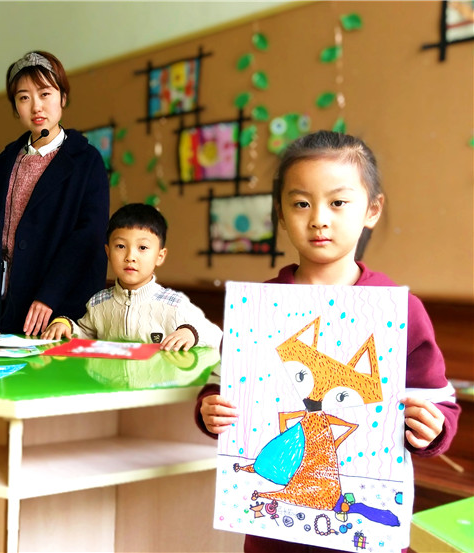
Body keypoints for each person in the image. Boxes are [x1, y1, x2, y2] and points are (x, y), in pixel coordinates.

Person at [196, 131, 460, 553]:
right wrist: (211, 408)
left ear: (372, 210)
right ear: (281, 214)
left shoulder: (400, 311)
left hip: (365, 538)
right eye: (301, 203)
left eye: (338, 202)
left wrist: (434, 426)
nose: (319, 218)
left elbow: (439, 401)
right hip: (274, 536)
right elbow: (221, 386)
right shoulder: (257, 310)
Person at [0, 50, 110, 335]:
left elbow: (88, 237)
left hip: (52, 306)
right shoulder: (4, 161)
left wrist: (50, 296)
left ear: (63, 98)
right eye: (24, 98)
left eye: (45, 94)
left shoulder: (86, 161)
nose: (36, 107)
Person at [42, 203, 223, 351]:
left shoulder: (173, 304)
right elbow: (85, 335)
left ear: (160, 256)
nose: (130, 257)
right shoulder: (98, 303)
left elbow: (215, 334)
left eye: (142, 248)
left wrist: (190, 333)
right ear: (108, 252)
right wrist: (65, 324)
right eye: (121, 246)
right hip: (110, 383)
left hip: (157, 385)